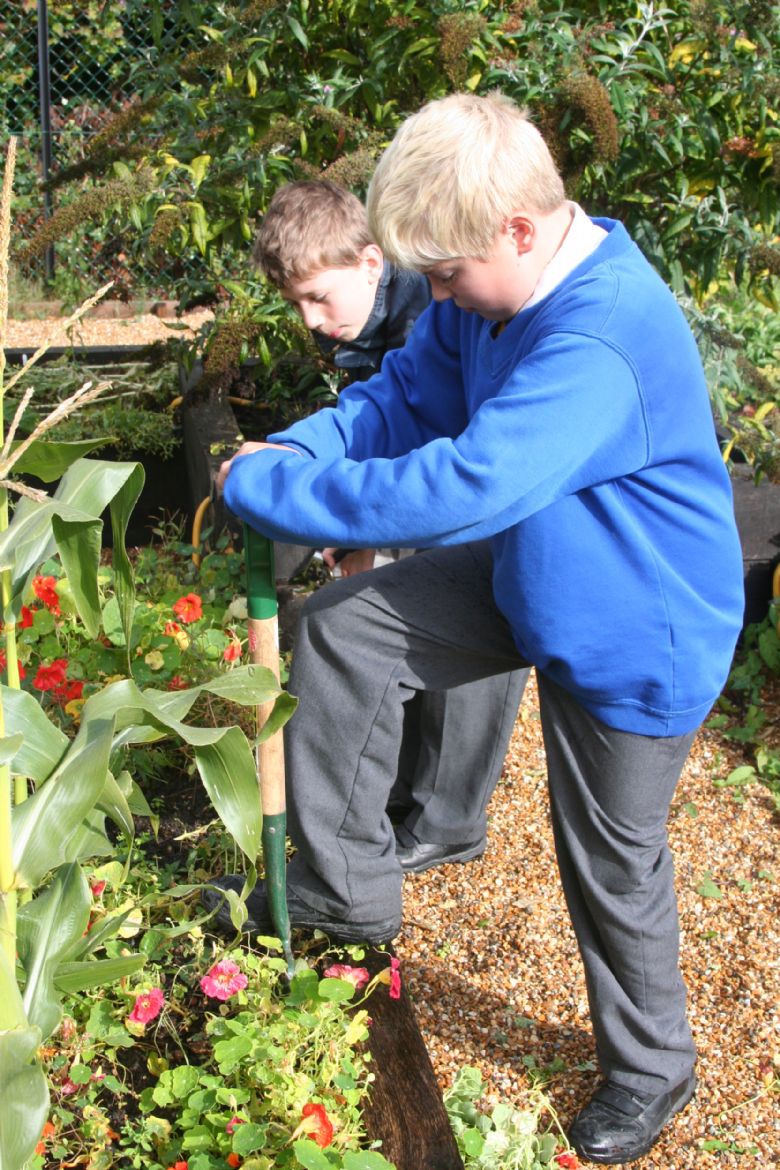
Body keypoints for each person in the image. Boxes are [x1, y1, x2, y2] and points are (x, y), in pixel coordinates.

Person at [211, 94, 744, 1164]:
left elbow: (466, 484)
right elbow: (398, 400)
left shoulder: (603, 336)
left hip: (638, 630)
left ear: (516, 228)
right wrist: (299, 453)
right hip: (533, 572)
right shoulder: (484, 300)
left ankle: (653, 1070)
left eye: (447, 275)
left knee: (609, 854)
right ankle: (347, 896)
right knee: (349, 629)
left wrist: (283, 501)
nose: (438, 298)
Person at [252, 180, 530, 871]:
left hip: (482, 498)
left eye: (319, 296)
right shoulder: (371, 317)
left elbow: (438, 444)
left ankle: (449, 816)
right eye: (298, 305)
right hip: (432, 488)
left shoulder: (435, 306)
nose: (312, 320)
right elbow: (380, 425)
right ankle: (409, 793)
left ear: (372, 263)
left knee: (465, 644)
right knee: (392, 626)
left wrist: (360, 535)